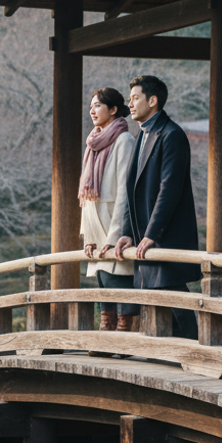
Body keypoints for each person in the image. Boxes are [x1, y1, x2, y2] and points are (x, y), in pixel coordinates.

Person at [105, 74, 200, 340]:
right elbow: (130, 191)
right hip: (145, 234)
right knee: (157, 296)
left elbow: (169, 190)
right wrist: (127, 232)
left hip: (165, 233)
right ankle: (172, 353)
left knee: (172, 292)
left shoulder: (172, 135)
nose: (130, 104)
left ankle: (196, 350)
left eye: (136, 98)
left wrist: (151, 233)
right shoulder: (142, 134)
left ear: (153, 100)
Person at [79, 87, 137, 340]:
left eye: (98, 106)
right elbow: (86, 196)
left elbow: (126, 191)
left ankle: (121, 339)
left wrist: (116, 234)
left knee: (119, 283)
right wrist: (88, 236)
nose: (92, 110)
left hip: (114, 224)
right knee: (104, 286)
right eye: (91, 106)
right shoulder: (92, 141)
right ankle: (106, 338)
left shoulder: (124, 140)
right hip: (96, 224)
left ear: (113, 110)